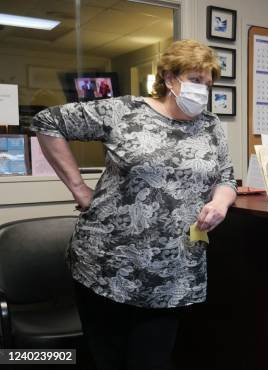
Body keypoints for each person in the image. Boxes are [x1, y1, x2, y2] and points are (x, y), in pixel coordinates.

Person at [31, 39, 237, 370]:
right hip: (108, 264)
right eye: (196, 80)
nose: (203, 91)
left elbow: (226, 178)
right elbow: (47, 122)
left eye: (208, 84)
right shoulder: (123, 111)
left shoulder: (211, 125)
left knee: (151, 361)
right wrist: (78, 187)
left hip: (174, 270)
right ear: (170, 78)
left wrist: (221, 203)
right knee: (109, 360)